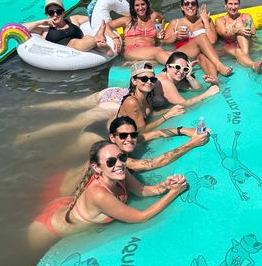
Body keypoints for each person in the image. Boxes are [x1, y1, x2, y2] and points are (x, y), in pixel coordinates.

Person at [28, 140, 187, 249]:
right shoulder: (99, 194)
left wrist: (165, 185)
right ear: (97, 168)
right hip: (49, 227)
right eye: (111, 162)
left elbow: (142, 190)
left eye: (121, 157)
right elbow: (141, 217)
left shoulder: (120, 172)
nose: (119, 164)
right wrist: (174, 193)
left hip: (65, 204)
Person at [54, 116, 211, 198]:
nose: (129, 139)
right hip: (65, 191)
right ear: (112, 138)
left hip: (67, 179)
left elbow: (156, 133)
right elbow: (153, 163)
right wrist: (192, 144)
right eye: (123, 135)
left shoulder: (127, 142)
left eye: (133, 134)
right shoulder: (114, 157)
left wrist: (183, 130)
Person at [162, 0, 233, 77]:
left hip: (201, 53)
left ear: (197, 6)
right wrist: (175, 36)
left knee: (202, 56)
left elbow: (212, 41)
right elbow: (164, 42)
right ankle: (219, 65)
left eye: (193, 3)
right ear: (182, 7)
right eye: (186, 4)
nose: (190, 6)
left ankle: (214, 79)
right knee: (202, 36)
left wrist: (206, 22)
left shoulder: (206, 20)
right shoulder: (175, 23)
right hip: (184, 54)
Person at [22, 0, 120, 56]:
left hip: (85, 41)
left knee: (87, 37)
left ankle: (103, 46)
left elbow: (95, 19)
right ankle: (97, 39)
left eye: (58, 11)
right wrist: (38, 22)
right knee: (74, 42)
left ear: (63, 12)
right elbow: (20, 27)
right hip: (68, 48)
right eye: (51, 13)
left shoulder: (73, 19)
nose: (55, 15)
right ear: (47, 14)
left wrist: (114, 36)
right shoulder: (44, 28)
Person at [117, 60, 185, 131]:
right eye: (144, 79)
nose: (149, 82)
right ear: (134, 81)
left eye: (152, 79)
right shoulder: (131, 102)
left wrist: (170, 110)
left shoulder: (147, 96)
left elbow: (151, 114)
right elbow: (142, 130)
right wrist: (167, 116)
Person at [107, 0, 170, 64]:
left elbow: (162, 19)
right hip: (131, 51)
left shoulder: (154, 16)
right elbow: (106, 26)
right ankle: (177, 69)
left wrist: (159, 30)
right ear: (133, 7)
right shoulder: (127, 20)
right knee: (158, 50)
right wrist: (115, 38)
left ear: (147, 5)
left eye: (143, 4)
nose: (140, 8)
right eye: (137, 5)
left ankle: (139, 63)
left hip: (149, 51)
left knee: (172, 54)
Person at [215, 0, 262, 73]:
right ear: (225, 5)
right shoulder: (220, 20)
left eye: (236, 4)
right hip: (229, 46)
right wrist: (237, 29)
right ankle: (252, 63)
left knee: (239, 48)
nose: (233, 7)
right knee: (239, 32)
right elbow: (224, 33)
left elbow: (253, 32)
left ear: (239, 5)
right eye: (230, 4)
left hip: (246, 43)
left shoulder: (246, 16)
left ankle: (251, 63)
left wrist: (243, 27)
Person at [151, 51, 220, 108]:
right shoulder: (165, 82)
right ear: (168, 67)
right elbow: (184, 104)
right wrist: (207, 94)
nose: (181, 72)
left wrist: (188, 76)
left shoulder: (176, 79)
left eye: (185, 69)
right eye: (177, 67)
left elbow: (199, 89)